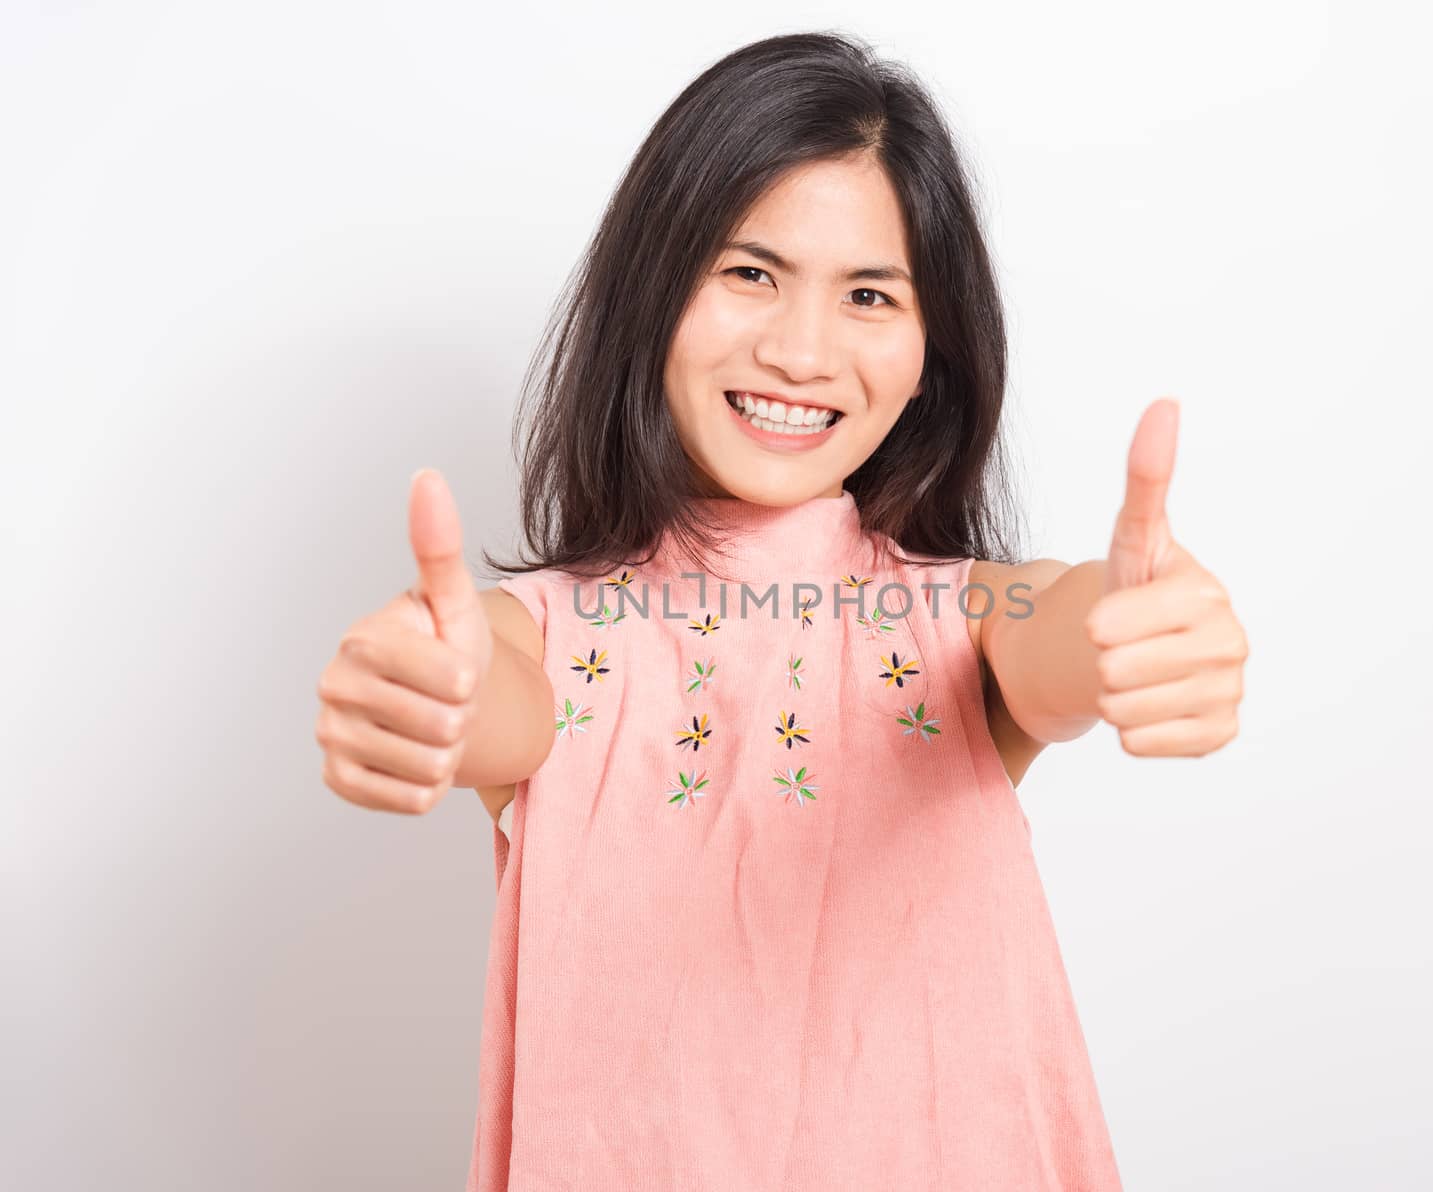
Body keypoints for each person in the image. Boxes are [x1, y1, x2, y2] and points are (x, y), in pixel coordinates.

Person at [314, 30, 1248, 1192]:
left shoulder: (958, 614)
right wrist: (424, 688)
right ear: (651, 295)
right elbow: (487, 695)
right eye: (748, 273)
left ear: (928, 356)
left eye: (868, 294)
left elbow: (1054, 626)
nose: (802, 351)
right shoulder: (544, 636)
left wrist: (1130, 625)